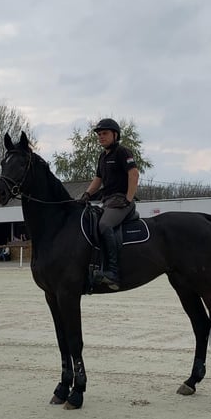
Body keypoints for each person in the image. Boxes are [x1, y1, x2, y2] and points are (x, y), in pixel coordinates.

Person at [80, 118, 140, 290]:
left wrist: (128, 199)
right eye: (99, 134)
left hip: (122, 201)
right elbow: (98, 180)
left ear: (115, 135)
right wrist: (86, 194)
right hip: (108, 202)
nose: (101, 137)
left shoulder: (122, 152)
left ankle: (113, 272)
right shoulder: (102, 156)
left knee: (105, 224)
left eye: (104, 133)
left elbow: (134, 174)